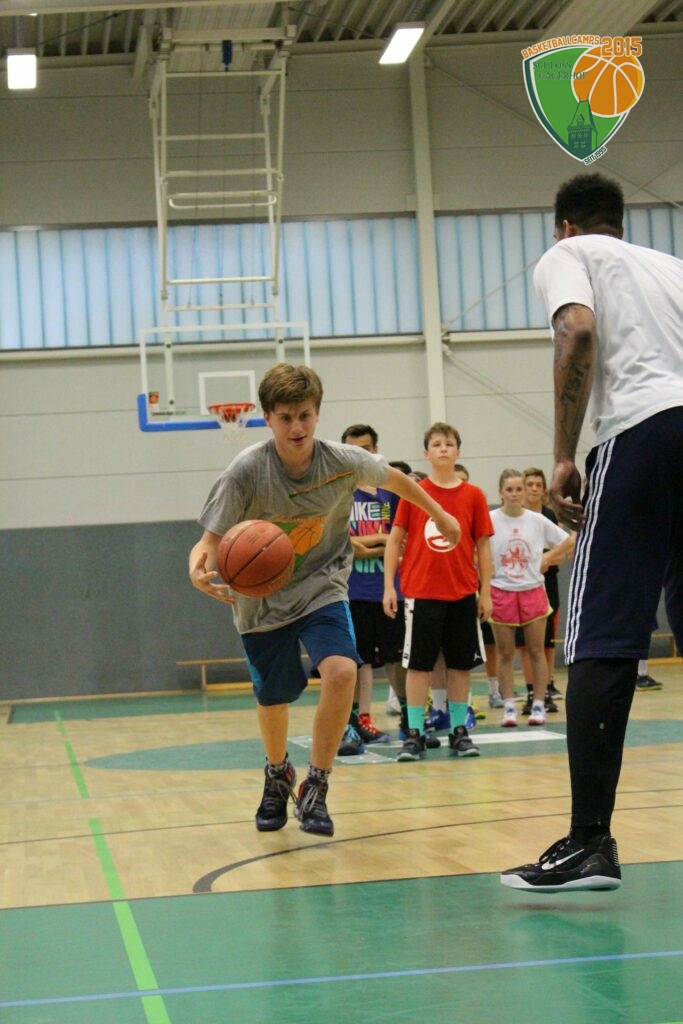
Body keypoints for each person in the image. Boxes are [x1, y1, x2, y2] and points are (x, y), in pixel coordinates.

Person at [501, 172, 683, 892]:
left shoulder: (569, 255)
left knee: (600, 636)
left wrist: (561, 455)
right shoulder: (670, 267)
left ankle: (588, 842)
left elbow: (576, 330)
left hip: (641, 434)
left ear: (565, 226)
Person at [189, 364, 461, 838]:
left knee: (341, 671)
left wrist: (440, 514)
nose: (297, 427)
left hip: (323, 586)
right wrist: (198, 567)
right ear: (267, 418)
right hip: (262, 599)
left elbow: (397, 480)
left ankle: (316, 783)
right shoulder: (247, 470)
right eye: (286, 418)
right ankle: (278, 772)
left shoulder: (343, 459)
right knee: (274, 699)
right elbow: (209, 540)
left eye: (305, 416)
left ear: (317, 414)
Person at [383, 422, 493, 760]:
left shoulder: (474, 495)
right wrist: (388, 586)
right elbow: (395, 540)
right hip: (421, 592)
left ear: (458, 451)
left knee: (460, 665)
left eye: (449, 443)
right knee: (419, 666)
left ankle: (459, 730)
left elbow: (483, 546)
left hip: (462, 593)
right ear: (426, 452)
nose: (443, 448)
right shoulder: (415, 494)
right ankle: (415, 733)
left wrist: (486, 591)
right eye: (436, 443)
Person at [490, 469, 573, 728]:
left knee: (537, 650)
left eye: (519, 489)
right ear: (501, 492)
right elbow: (474, 546)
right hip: (501, 590)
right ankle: (509, 706)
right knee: (505, 653)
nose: (515, 494)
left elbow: (569, 540)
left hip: (533, 590)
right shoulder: (490, 519)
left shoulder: (537, 520)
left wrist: (548, 556)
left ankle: (538, 703)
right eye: (510, 489)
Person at [338, 422, 400, 753]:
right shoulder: (340, 493)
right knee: (354, 662)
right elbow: (350, 546)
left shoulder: (390, 491)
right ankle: (349, 724)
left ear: (375, 450)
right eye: (353, 450)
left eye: (365, 449)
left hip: (389, 590)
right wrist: (384, 540)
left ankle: (406, 720)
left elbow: (400, 541)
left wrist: (379, 543)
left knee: (395, 658)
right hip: (351, 592)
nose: (360, 454)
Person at [517, 467, 575, 714]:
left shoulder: (549, 516)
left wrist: (547, 558)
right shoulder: (515, 515)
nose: (533, 489)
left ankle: (547, 687)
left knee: (546, 643)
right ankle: (531, 691)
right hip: (519, 584)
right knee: (524, 643)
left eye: (538, 485)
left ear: (543, 490)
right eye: (529, 484)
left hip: (546, 583)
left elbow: (564, 550)